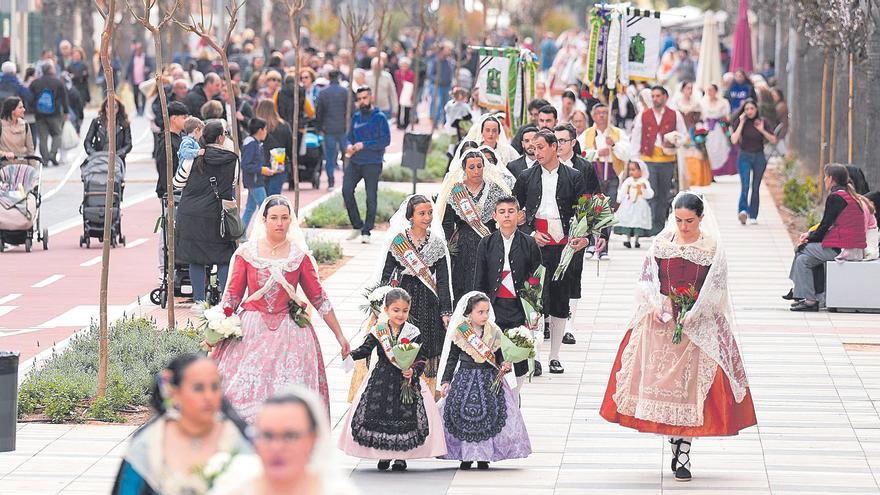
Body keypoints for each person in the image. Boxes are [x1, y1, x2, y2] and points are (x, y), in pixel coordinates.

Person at [600, 192, 757, 482]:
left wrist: (695, 312)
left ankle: (684, 450)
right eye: (679, 220)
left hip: (699, 321)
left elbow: (716, 287)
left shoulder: (712, 248)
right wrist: (657, 306)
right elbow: (647, 279)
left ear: (701, 218)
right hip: (663, 320)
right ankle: (674, 439)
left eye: (689, 221)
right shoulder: (661, 244)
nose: (683, 226)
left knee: (692, 389)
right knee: (664, 385)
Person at [214, 195, 351, 420]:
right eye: (274, 218)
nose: (279, 223)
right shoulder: (247, 254)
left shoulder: (299, 256)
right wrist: (217, 329)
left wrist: (340, 336)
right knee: (241, 390)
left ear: (291, 221)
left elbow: (319, 298)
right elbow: (232, 296)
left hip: (291, 332)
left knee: (290, 392)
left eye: (284, 218)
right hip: (252, 330)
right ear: (264, 220)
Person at [512, 130, 594, 374]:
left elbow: (585, 212)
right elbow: (515, 211)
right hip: (536, 245)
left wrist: (584, 237)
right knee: (534, 299)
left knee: (560, 299)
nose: (535, 152)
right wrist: (529, 232)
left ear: (554, 147)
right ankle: (533, 355)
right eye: (533, 148)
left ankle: (555, 356)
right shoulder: (526, 177)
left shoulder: (574, 176)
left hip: (564, 245)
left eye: (540, 147)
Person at [111, 354, 252, 495]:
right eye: (198, 388)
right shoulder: (149, 443)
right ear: (175, 393)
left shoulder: (235, 437)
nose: (209, 396)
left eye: (215, 387)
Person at [339, 288, 447, 471]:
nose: (401, 314)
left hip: (405, 381)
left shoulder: (413, 332)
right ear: (387, 309)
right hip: (382, 379)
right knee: (381, 415)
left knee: (404, 417)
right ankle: (384, 455)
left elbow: (422, 356)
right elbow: (366, 349)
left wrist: (413, 371)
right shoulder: (379, 330)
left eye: (405, 310)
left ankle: (400, 457)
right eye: (396, 310)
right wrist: (349, 354)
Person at [438, 292, 532, 469]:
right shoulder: (461, 331)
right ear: (469, 313)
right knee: (462, 416)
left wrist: (505, 364)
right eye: (480, 312)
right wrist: (446, 380)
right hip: (465, 377)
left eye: (487, 311)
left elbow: (499, 355)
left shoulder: (494, 331)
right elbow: (452, 358)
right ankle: (465, 456)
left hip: (488, 377)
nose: (485, 315)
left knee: (490, 416)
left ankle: (484, 456)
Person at [370, 195, 453, 396]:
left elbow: (443, 280)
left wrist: (445, 311)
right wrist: (381, 305)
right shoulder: (398, 242)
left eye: (430, 213)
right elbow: (387, 275)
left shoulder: (437, 244)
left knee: (426, 347)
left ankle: (424, 394)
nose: (427, 218)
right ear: (410, 216)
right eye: (421, 213)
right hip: (403, 300)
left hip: (428, 300)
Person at [211, 388, 357, 495]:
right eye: (267, 435)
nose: (277, 447)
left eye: (290, 436)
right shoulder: (233, 487)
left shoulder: (336, 491)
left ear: (313, 438)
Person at [474, 196, 544, 398]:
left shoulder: (530, 243)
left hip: (519, 307)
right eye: (502, 212)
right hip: (493, 307)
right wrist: (477, 310)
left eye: (511, 211)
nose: (507, 216)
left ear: (519, 215)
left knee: (519, 353)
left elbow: (537, 280)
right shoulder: (486, 243)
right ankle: (498, 395)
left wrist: (535, 311)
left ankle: (516, 394)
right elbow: (479, 281)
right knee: (494, 352)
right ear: (495, 216)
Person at [785, 164, 868, 311]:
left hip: (844, 249)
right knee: (803, 260)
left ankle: (804, 294)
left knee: (801, 249)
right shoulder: (848, 195)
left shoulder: (836, 197)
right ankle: (810, 299)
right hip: (851, 246)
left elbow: (824, 227)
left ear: (831, 179)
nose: (824, 180)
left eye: (825, 176)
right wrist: (810, 235)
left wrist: (808, 239)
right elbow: (828, 226)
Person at [174, 120, 238, 305]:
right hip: (217, 215)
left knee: (196, 258)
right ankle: (227, 301)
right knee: (224, 257)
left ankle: (199, 302)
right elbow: (232, 185)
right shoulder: (232, 160)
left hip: (190, 213)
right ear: (220, 137)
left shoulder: (193, 157)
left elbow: (177, 183)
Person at [437, 149, 511, 302]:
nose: (476, 171)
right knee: (463, 287)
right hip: (463, 246)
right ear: (464, 169)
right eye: (472, 167)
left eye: (479, 166)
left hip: (490, 243)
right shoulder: (456, 191)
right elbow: (447, 224)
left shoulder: (495, 190)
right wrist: (448, 249)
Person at [630, 85, 689, 235]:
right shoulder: (643, 116)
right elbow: (636, 137)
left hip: (667, 159)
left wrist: (675, 141)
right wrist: (635, 160)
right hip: (648, 158)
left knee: (664, 195)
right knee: (651, 193)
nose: (655, 98)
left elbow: (683, 135)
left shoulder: (675, 115)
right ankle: (649, 226)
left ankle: (659, 227)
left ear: (665, 97)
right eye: (654, 96)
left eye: (658, 96)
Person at [343, 86, 390, 243]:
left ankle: (367, 231)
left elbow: (385, 140)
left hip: (373, 163)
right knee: (346, 191)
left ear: (371, 98)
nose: (362, 101)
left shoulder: (380, 118)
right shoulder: (356, 117)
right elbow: (348, 137)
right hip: (355, 162)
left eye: (365, 98)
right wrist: (348, 145)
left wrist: (365, 144)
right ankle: (357, 225)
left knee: (371, 197)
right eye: (359, 99)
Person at [730, 99, 777, 225]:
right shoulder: (740, 122)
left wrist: (762, 129)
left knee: (755, 187)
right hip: (744, 156)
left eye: (752, 108)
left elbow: (773, 139)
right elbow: (734, 140)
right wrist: (741, 123)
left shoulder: (763, 122)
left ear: (756, 110)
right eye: (747, 109)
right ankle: (743, 211)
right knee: (745, 185)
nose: (749, 111)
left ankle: (753, 215)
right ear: (744, 111)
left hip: (759, 157)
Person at [29, 61, 69, 166]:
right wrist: (66, 111)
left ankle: (45, 159)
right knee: (57, 134)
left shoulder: (35, 83)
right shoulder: (58, 82)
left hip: (39, 114)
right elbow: (64, 98)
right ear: (51, 70)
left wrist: (33, 109)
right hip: (55, 114)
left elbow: (30, 98)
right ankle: (53, 154)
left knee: (43, 137)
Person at [315, 70, 347, 190]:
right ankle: (346, 179)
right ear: (339, 77)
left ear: (329, 77)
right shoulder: (345, 92)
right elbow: (351, 110)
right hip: (343, 128)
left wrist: (319, 127)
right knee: (346, 155)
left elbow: (319, 112)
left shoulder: (323, 93)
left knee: (329, 156)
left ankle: (331, 181)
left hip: (328, 129)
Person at [254, 99, 293, 196]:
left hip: (261, 163)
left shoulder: (257, 127)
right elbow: (290, 146)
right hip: (279, 159)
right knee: (274, 195)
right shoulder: (284, 125)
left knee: (263, 197)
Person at [614, 160, 655, 249]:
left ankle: (636, 240)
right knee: (628, 220)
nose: (631, 172)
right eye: (630, 170)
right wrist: (619, 199)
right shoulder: (628, 181)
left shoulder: (644, 181)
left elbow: (650, 194)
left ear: (641, 171)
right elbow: (623, 191)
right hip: (628, 205)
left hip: (640, 205)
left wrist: (644, 189)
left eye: (634, 170)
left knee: (638, 221)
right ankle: (628, 240)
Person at [240, 118, 270, 233]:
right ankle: (267, 233)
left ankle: (241, 234)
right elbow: (245, 165)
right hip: (255, 181)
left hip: (255, 180)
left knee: (250, 208)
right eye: (265, 129)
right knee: (265, 208)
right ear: (260, 130)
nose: (266, 132)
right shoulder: (251, 144)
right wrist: (261, 170)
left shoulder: (253, 143)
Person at [83, 96, 133, 163]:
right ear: (104, 107)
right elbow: (87, 141)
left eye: (114, 107)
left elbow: (128, 144)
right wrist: (94, 154)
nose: (111, 109)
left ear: (118, 108)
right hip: (98, 159)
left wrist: (119, 154)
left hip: (116, 160)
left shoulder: (124, 124)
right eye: (108, 106)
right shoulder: (97, 122)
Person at [700, 84, 732, 174]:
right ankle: (709, 171)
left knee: (720, 146)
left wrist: (722, 120)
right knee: (708, 148)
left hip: (719, 128)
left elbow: (727, 116)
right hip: (707, 128)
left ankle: (720, 170)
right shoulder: (702, 102)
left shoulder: (723, 102)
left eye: (711, 90)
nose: (709, 92)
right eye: (708, 90)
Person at [0, 97, 36, 166]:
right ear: (12, 110)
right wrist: (5, 154)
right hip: (5, 168)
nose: (24, 110)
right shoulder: (1, 125)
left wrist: (33, 168)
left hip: (23, 167)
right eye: (20, 107)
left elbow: (30, 149)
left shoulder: (25, 125)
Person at [126, 42, 155, 116]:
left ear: (142, 50)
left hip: (143, 81)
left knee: (143, 96)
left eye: (139, 49)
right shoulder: (133, 57)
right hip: (135, 80)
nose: (138, 51)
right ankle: (138, 109)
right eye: (137, 49)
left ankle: (142, 110)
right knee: (135, 96)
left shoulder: (146, 57)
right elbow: (129, 68)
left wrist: (148, 69)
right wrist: (126, 77)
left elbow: (151, 67)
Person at [394, 57, 415, 129]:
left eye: (406, 65)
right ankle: (399, 123)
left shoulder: (411, 73)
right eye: (403, 65)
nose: (404, 67)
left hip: (407, 93)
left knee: (407, 109)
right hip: (399, 92)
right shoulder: (397, 73)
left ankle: (406, 123)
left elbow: (412, 83)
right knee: (399, 108)